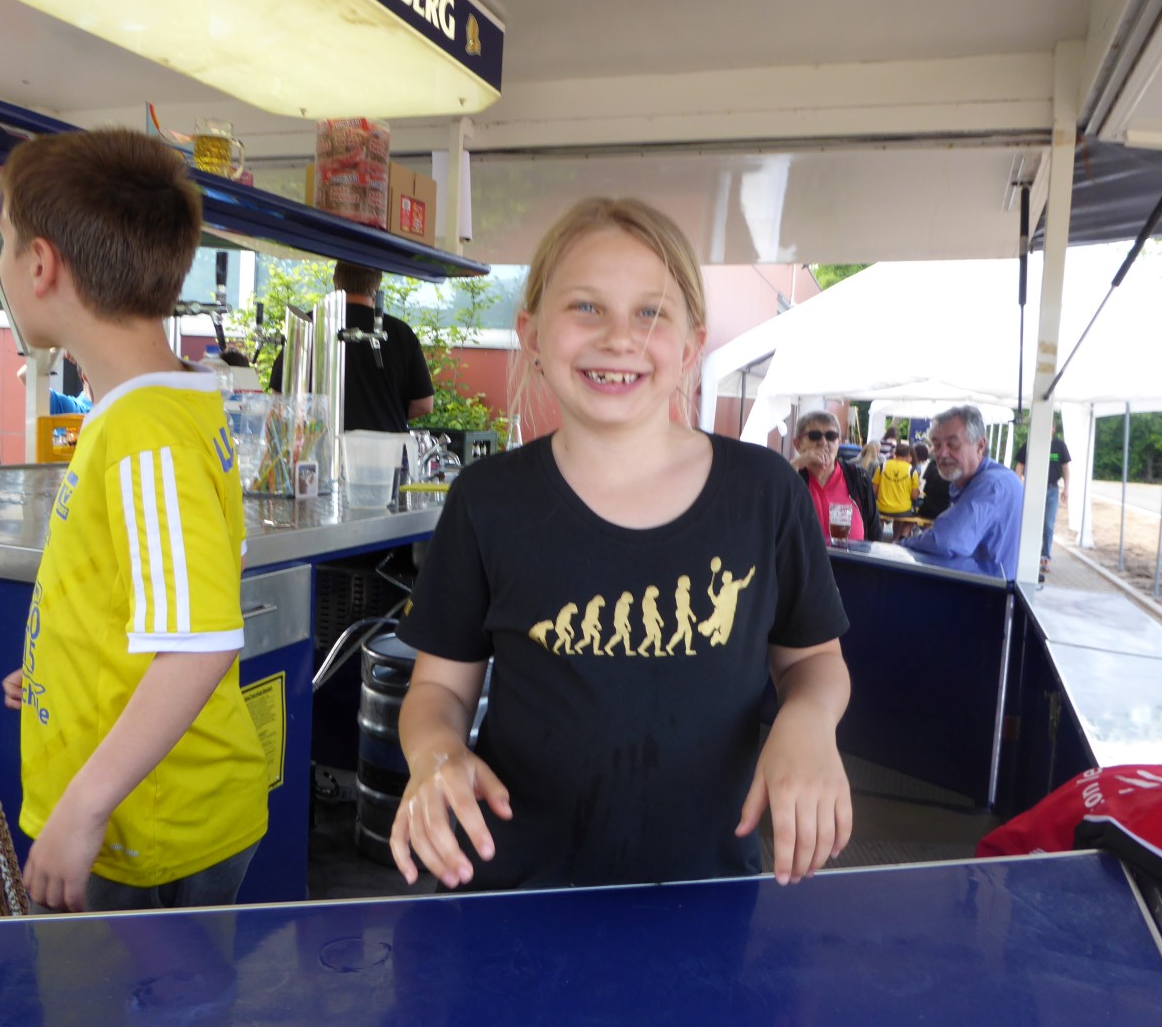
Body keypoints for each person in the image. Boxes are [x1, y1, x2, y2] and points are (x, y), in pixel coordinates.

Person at [389, 197, 853, 892]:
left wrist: (810, 721)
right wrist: (434, 752)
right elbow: (438, 688)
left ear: (691, 346)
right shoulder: (488, 500)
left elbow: (814, 660)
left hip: (706, 892)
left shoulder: (765, 493)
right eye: (586, 307)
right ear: (532, 334)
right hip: (519, 891)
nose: (618, 338)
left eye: (650, 313)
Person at [0, 128, 268, 913]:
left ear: (41, 264)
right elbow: (149, 603)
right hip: (150, 812)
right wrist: (61, 670)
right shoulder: (155, 410)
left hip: (144, 833)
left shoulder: (146, 434)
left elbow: (198, 645)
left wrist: (83, 811)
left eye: (6, 244)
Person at [268, 263, 435, 432]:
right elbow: (424, 404)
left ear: (336, 282)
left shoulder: (306, 325)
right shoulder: (400, 332)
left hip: (318, 441)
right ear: (377, 286)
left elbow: (279, 397)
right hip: (386, 445)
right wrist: (383, 417)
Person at [903, 405, 1022, 575]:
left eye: (953, 444)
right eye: (937, 445)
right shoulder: (974, 481)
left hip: (987, 589)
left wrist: (903, 545)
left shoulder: (992, 484)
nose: (942, 453)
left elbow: (947, 540)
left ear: (980, 446)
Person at [790, 409, 878, 542]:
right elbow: (773, 517)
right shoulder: (792, 475)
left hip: (850, 555)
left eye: (831, 436)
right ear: (798, 444)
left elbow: (874, 533)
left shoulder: (858, 478)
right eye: (814, 436)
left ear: (838, 442)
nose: (823, 442)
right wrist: (795, 464)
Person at [1014, 428, 1073, 574]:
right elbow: (1020, 465)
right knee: (1031, 522)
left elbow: (1065, 468)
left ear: (1054, 428)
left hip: (1052, 489)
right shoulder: (1031, 444)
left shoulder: (1060, 446)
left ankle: (1045, 557)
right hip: (1034, 489)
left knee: (1048, 525)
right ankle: (1027, 555)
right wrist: (1017, 485)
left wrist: (1066, 488)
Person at [873, 440, 921, 519]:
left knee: (879, 519)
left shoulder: (882, 466)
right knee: (907, 520)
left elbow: (874, 490)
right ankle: (900, 528)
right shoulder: (912, 470)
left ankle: (880, 527)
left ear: (895, 454)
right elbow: (914, 496)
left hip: (881, 508)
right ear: (908, 456)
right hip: (903, 510)